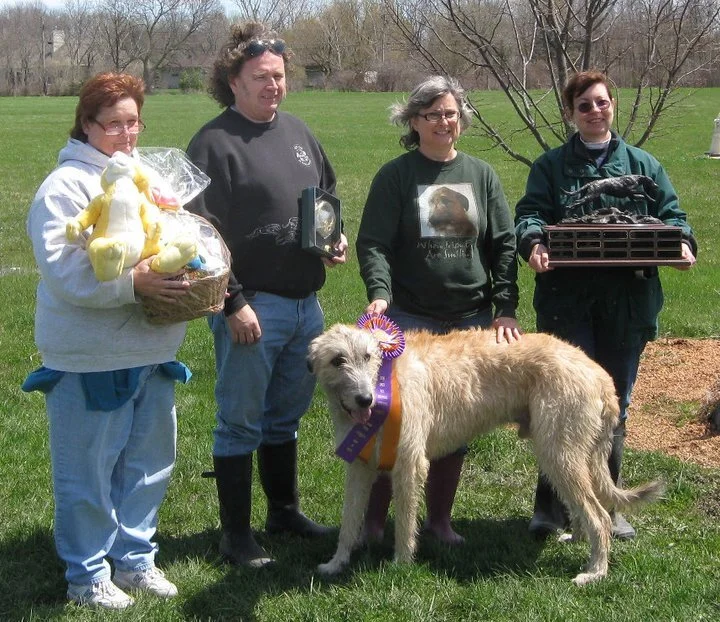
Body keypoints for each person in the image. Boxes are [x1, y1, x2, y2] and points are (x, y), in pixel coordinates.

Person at [23, 72, 191, 609]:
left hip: (152, 345)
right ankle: (87, 574)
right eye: (113, 123)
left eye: (133, 121)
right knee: (88, 471)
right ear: (87, 124)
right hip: (91, 354)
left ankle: (136, 559)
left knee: (148, 464)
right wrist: (132, 282)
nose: (126, 133)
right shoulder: (66, 186)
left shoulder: (145, 177)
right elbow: (64, 271)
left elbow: (171, 236)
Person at [185, 22, 348, 568]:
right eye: (261, 77)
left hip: (306, 304)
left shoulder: (299, 132)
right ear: (233, 80)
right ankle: (235, 537)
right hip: (253, 305)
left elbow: (325, 199)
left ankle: (283, 511)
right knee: (240, 420)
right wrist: (231, 302)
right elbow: (199, 234)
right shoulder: (213, 143)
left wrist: (332, 240)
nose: (273, 85)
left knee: (285, 418)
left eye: (279, 76)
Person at [515, 70, 697, 540]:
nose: (596, 112)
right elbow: (531, 213)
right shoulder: (551, 166)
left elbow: (673, 217)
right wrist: (533, 241)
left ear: (613, 104)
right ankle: (550, 509)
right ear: (570, 113)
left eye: (602, 103)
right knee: (558, 404)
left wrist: (682, 243)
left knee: (615, 403)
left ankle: (608, 506)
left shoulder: (644, 164)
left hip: (627, 303)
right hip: (567, 304)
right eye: (585, 106)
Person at [355, 75, 522, 546]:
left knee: (455, 423)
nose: (444, 122)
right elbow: (374, 243)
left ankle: (439, 522)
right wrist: (380, 291)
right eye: (432, 115)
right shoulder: (396, 176)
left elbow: (504, 245)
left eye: (451, 113)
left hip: (469, 319)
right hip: (410, 319)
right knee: (394, 421)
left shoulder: (481, 174)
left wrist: (504, 306)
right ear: (414, 121)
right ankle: (372, 524)